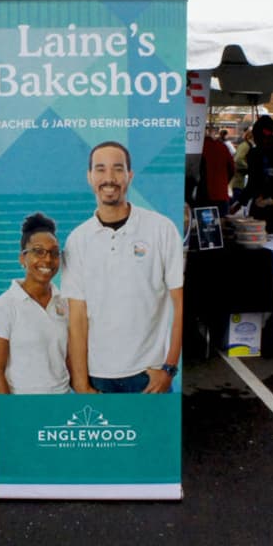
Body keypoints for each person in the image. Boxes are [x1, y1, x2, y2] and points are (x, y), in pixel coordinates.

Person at [60, 141, 183, 394]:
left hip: (148, 376)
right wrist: (81, 382)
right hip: (97, 377)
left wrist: (169, 368)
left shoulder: (161, 229)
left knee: (152, 435)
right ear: (89, 177)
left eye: (118, 169)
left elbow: (179, 303)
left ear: (130, 175)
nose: (109, 178)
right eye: (101, 169)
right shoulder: (77, 240)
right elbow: (77, 317)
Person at [0, 212, 70, 395]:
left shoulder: (64, 302)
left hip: (62, 401)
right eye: (38, 251)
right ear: (22, 258)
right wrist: (11, 412)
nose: (48, 259)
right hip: (24, 404)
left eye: (54, 253)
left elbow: (68, 359)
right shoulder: (5, 305)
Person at [195, 126, 235, 215]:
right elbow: (232, 168)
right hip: (221, 194)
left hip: (204, 195)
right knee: (221, 224)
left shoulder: (198, 148)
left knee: (203, 225)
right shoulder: (222, 146)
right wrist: (224, 182)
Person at [229, 128, 253, 206]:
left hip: (239, 176)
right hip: (238, 175)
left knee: (238, 193)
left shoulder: (246, 145)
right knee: (237, 194)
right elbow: (238, 159)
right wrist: (249, 167)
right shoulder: (246, 146)